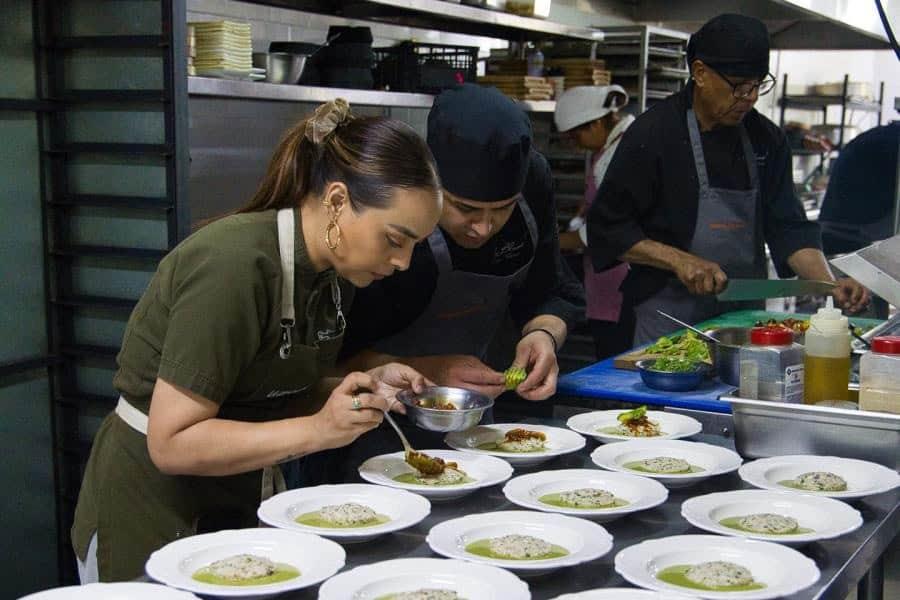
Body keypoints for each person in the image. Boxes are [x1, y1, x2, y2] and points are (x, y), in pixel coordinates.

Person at [71, 99, 444, 582]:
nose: (404, 263)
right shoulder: (233, 266)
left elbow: (263, 384)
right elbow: (173, 441)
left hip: (240, 507)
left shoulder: (333, 276)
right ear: (335, 202)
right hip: (154, 514)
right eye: (395, 239)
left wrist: (353, 386)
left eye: (415, 244)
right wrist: (320, 430)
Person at [310, 85, 583, 478]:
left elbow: (552, 290)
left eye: (502, 209)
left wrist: (542, 336)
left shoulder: (534, 182)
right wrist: (424, 368)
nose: (484, 227)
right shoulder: (382, 226)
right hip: (371, 427)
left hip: (476, 426)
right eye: (465, 208)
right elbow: (326, 360)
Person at [586, 14, 869, 344]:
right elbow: (609, 226)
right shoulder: (653, 134)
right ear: (700, 73)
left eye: (758, 85)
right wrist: (679, 260)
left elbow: (788, 226)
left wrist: (828, 283)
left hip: (743, 316)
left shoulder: (766, 138)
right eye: (738, 86)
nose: (749, 97)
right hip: (667, 315)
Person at [555, 84, 637, 358]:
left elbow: (611, 229)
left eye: (575, 137)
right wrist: (580, 214)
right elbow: (599, 194)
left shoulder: (625, 149)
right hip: (602, 271)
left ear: (597, 123)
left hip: (622, 272)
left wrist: (554, 242)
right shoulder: (610, 144)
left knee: (616, 352)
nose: (575, 145)